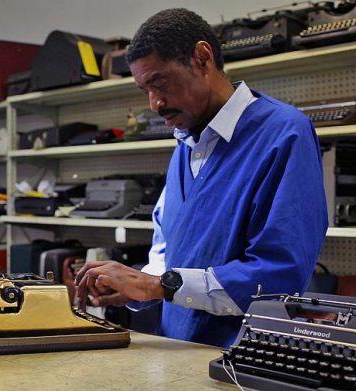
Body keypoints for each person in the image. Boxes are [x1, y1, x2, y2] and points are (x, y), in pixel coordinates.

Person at [74, 8, 328, 348]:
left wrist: (160, 286)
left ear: (202, 58)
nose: (154, 103)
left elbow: (280, 274)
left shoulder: (284, 134)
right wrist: (133, 285)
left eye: (159, 82)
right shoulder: (186, 145)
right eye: (144, 89)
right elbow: (169, 253)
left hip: (244, 362)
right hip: (178, 354)